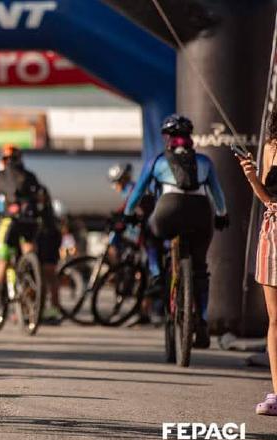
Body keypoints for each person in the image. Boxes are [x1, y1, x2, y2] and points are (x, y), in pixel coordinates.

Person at [123, 114, 228, 347]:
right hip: (201, 212)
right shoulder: (204, 161)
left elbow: (138, 192)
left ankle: (157, 274)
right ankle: (201, 320)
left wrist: (128, 214)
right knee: (200, 268)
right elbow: (218, 195)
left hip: (167, 210)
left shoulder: (157, 161)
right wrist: (222, 215)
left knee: (150, 235)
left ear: (167, 137)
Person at [237, 106, 277, 416]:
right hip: (274, 230)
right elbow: (267, 196)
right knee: (275, 318)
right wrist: (252, 179)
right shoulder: (271, 146)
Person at [0, 144, 55, 318]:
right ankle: (30, 300)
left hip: (8, 223)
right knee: (29, 255)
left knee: (2, 263)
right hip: (30, 221)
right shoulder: (30, 176)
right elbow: (42, 197)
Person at [107, 162, 162, 324]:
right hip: (140, 234)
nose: (114, 187)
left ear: (121, 180)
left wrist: (119, 219)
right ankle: (143, 311)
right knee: (142, 271)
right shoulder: (128, 189)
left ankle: (149, 309)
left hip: (148, 233)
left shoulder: (131, 189)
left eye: (115, 183)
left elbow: (128, 208)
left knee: (148, 271)